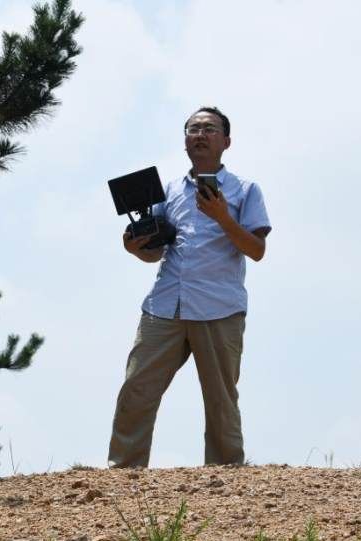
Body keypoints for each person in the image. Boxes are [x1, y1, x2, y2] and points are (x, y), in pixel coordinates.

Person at [108, 106, 272, 468]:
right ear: (185, 142)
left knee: (220, 399)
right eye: (193, 128)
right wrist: (135, 248)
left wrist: (223, 218)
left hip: (219, 306)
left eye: (209, 129)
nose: (200, 134)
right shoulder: (169, 190)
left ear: (226, 142)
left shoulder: (245, 190)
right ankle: (123, 471)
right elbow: (157, 254)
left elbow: (257, 250)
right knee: (137, 387)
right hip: (165, 305)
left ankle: (226, 473)